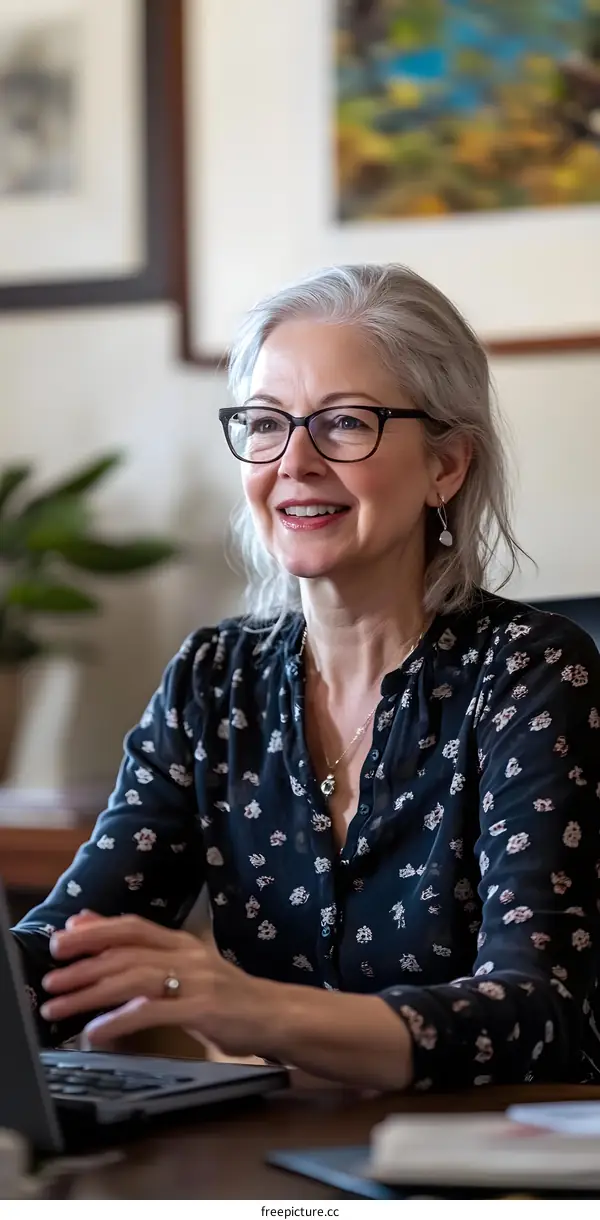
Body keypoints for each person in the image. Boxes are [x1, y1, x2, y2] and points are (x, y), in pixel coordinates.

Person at [13, 264, 600, 1093]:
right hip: (279, 1159)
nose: (295, 461)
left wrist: (246, 1008)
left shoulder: (533, 675)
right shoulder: (213, 681)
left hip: (494, 1174)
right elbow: (68, 949)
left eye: (346, 423)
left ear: (448, 465)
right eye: (265, 424)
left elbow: (538, 1014)